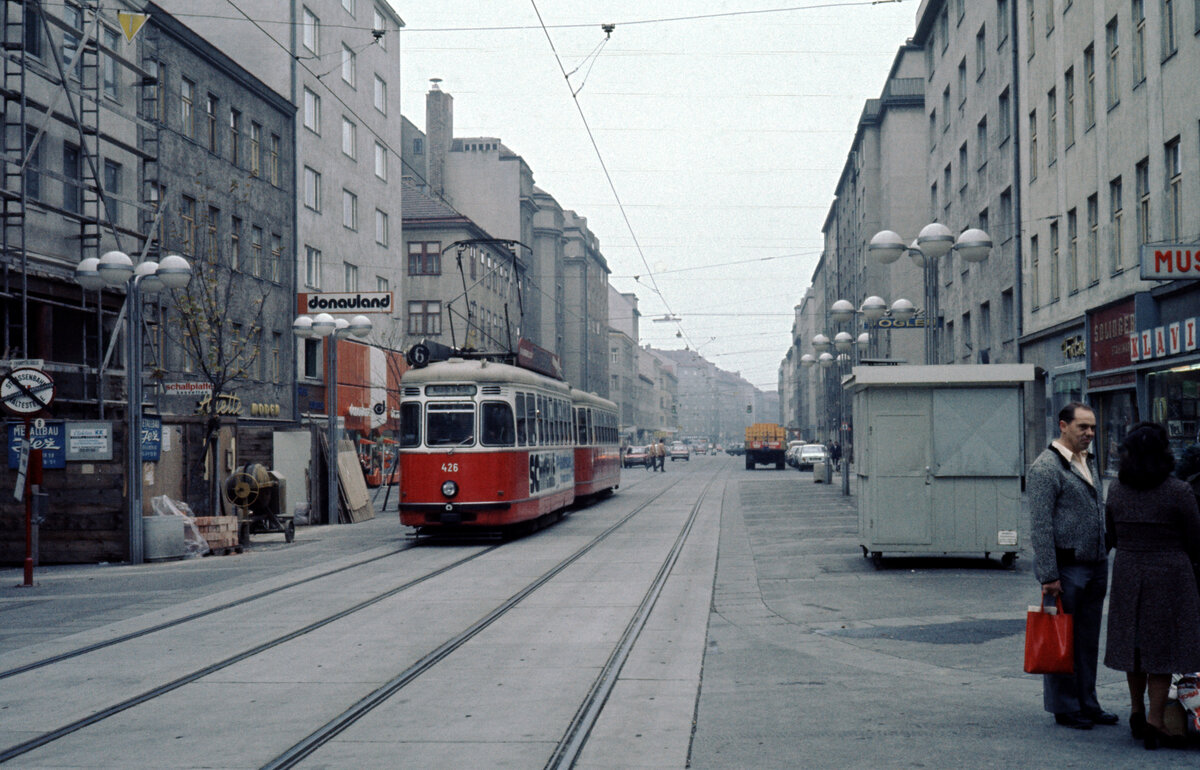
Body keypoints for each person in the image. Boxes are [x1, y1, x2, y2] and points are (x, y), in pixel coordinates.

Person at [1103, 422, 1200, 749]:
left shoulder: (1116, 489)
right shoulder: (1179, 491)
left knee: (1135, 646)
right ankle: (1156, 720)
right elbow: (1194, 538)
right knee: (1164, 650)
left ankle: (1135, 709)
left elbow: (1111, 535)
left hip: (1129, 570)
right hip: (1170, 572)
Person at [1028, 401, 1115, 730]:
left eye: (1093, 427)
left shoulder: (1088, 461)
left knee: (1088, 639)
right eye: (1083, 427)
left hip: (1094, 565)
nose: (1090, 433)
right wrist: (1049, 575)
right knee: (1060, 639)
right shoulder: (1046, 468)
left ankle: (1088, 702)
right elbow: (1040, 526)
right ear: (1063, 426)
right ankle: (1065, 707)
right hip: (1066, 569)